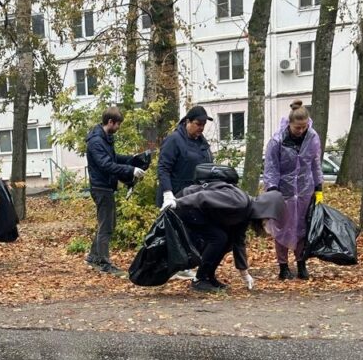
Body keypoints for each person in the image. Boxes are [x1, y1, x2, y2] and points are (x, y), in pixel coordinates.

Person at [175, 180, 285, 292]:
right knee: (218, 238)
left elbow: (238, 242)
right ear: (264, 208)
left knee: (228, 242)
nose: (265, 221)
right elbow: (203, 196)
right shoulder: (239, 201)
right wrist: (177, 202)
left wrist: (244, 274)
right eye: (267, 217)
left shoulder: (245, 214)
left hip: (196, 209)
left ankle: (208, 276)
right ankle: (199, 279)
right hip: (188, 204)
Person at [263, 100, 323, 280]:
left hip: (305, 189)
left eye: (304, 126)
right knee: (282, 228)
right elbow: (271, 167)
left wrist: (318, 187)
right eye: (298, 127)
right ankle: (283, 266)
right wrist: (272, 189)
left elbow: (315, 163)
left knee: (302, 227)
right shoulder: (277, 140)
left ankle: (301, 263)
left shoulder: (312, 137)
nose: (301, 130)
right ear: (290, 124)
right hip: (284, 190)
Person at [84, 106, 148, 276]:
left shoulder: (105, 138)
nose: (118, 128)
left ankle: (92, 257)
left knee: (106, 223)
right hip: (101, 187)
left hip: (105, 186)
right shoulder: (96, 141)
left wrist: (131, 159)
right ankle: (104, 263)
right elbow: (106, 164)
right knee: (107, 226)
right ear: (110, 122)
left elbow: (113, 158)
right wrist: (130, 171)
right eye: (118, 124)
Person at [158, 105, 214, 280]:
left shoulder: (201, 142)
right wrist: (168, 192)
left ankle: (182, 264)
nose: (201, 128)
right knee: (174, 231)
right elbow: (163, 168)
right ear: (188, 121)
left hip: (194, 194)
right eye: (198, 124)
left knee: (190, 232)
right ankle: (168, 265)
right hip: (175, 193)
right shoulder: (174, 140)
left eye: (203, 125)